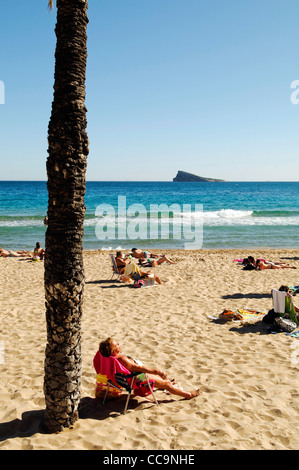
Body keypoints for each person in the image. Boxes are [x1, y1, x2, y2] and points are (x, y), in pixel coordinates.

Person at [98, 338, 200, 400]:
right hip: (135, 380)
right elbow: (139, 368)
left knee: (158, 379)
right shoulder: (122, 360)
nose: (119, 344)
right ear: (114, 351)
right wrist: (157, 371)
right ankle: (188, 395)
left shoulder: (107, 358)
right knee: (166, 384)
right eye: (117, 345)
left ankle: (166, 383)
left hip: (124, 379)